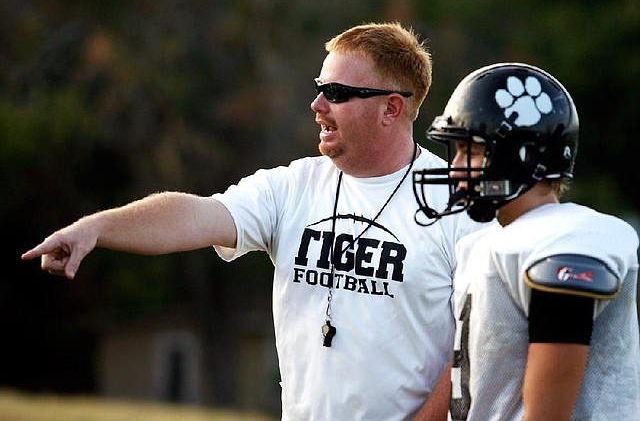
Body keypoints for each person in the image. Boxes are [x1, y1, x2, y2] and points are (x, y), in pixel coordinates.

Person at [22, 22, 483, 421]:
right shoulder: (293, 186)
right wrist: (96, 228)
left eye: (339, 94)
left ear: (392, 108)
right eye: (319, 88)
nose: (318, 105)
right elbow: (195, 216)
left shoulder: (459, 203)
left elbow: (478, 342)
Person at [413, 62, 640, 419]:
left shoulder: (569, 238)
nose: (455, 168)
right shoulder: (482, 245)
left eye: (469, 150)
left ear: (526, 156)